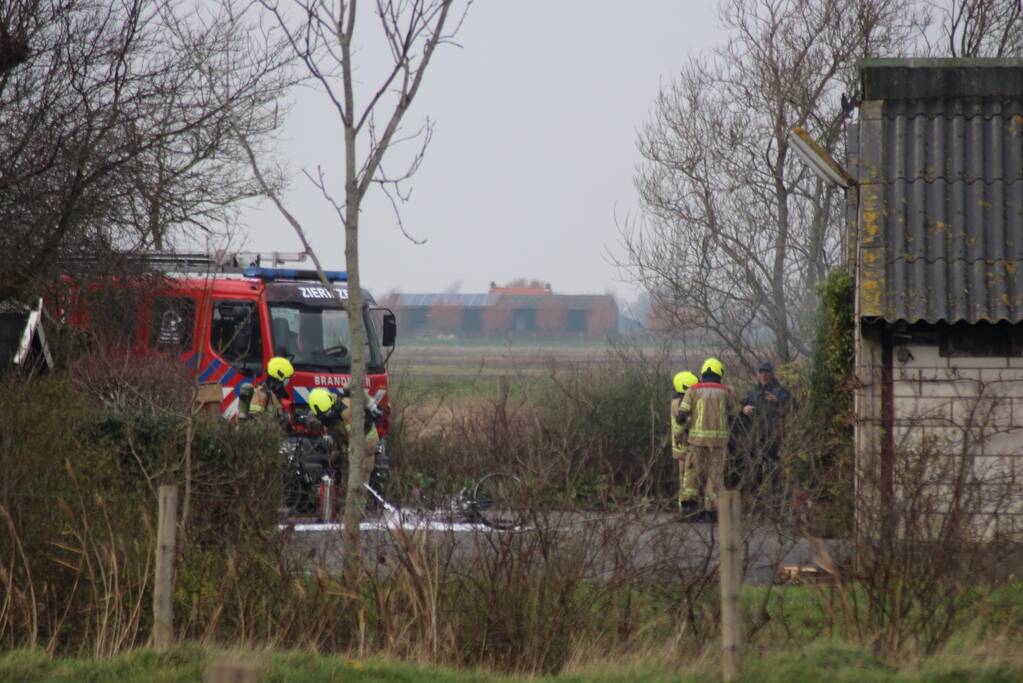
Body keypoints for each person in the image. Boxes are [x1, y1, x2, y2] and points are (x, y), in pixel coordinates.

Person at [678, 357, 738, 521]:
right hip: (719, 444)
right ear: (720, 373)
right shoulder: (727, 391)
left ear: (703, 372)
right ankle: (711, 511)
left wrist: (684, 429)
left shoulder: (692, 390)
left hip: (696, 442)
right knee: (715, 476)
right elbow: (734, 415)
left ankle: (689, 508)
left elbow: (681, 416)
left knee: (692, 474)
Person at [308, 386, 383, 492]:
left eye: (329, 413)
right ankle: (345, 501)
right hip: (352, 440)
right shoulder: (328, 403)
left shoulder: (346, 410)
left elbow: (353, 438)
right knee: (345, 477)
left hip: (366, 442)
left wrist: (344, 453)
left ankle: (361, 504)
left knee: (359, 481)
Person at [740, 361, 794, 502]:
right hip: (756, 436)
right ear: (757, 374)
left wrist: (777, 401)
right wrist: (744, 409)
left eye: (766, 372)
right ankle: (757, 500)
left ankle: (776, 499)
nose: (764, 375)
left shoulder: (780, 391)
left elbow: (793, 406)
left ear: (771, 374)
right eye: (761, 372)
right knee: (755, 468)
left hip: (774, 435)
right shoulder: (752, 391)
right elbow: (743, 404)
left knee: (774, 468)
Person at [670, 370, 699, 515]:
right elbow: (684, 423)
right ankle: (684, 508)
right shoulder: (680, 404)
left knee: (685, 478)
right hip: (685, 446)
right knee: (686, 478)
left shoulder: (675, 401)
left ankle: (685, 507)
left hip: (679, 447)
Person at [238, 356, 293, 422]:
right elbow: (255, 422)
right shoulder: (262, 393)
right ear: (278, 376)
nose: (287, 381)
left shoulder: (273, 395)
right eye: (286, 378)